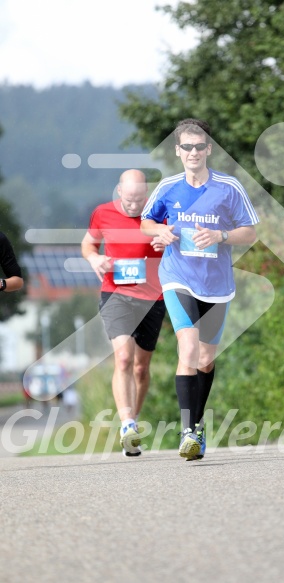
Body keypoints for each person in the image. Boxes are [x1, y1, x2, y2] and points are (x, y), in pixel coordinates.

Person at [141, 118, 259, 461]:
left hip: (217, 285)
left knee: (206, 360)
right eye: (186, 147)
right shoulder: (168, 187)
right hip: (178, 276)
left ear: (208, 149)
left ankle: (198, 423)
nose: (193, 152)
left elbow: (250, 232)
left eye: (199, 146)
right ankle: (187, 431)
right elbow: (147, 221)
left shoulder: (229, 187)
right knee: (188, 348)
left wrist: (221, 235)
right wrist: (158, 233)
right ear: (178, 151)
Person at [81, 169, 166, 457]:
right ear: (119, 191)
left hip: (153, 297)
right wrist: (94, 257)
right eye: (129, 199)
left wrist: (165, 242)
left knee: (141, 368)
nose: (134, 205)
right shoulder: (102, 213)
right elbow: (88, 243)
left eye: (139, 199)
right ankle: (127, 424)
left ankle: (134, 421)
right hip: (116, 293)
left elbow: (176, 244)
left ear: (147, 195)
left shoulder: (158, 213)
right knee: (124, 357)